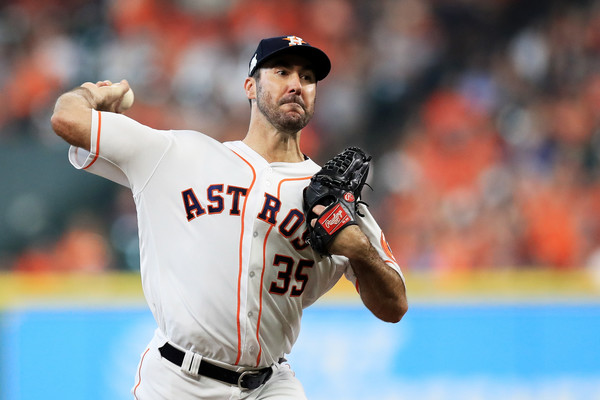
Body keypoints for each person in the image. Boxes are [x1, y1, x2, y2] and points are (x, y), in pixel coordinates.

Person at [51, 35, 407, 400]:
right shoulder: (180, 155)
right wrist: (90, 95)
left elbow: (395, 306)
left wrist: (360, 252)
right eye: (282, 71)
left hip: (270, 386)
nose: (296, 85)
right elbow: (66, 118)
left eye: (308, 77)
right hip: (176, 381)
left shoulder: (331, 201)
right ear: (250, 87)